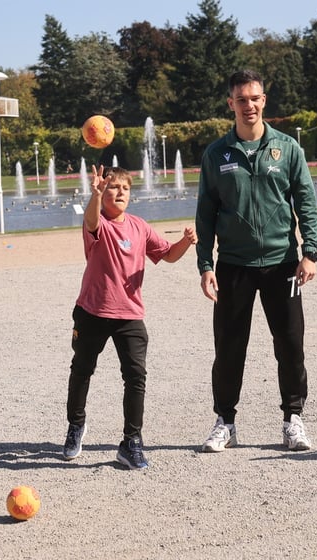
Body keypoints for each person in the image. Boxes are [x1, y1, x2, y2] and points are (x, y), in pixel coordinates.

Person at [195, 69, 317, 453]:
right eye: (241, 99)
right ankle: (226, 423)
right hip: (233, 264)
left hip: (282, 262)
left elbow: (306, 202)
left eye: (255, 98)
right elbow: (205, 214)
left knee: (290, 344)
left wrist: (310, 252)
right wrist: (205, 265)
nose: (248, 106)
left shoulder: (288, 149)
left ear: (264, 101)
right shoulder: (217, 154)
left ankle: (293, 420)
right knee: (229, 347)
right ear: (230, 104)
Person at [62, 165, 197, 470]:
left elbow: (168, 255)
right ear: (102, 191)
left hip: (129, 315)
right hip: (92, 312)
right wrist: (95, 195)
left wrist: (186, 242)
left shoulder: (139, 227)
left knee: (136, 378)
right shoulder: (98, 225)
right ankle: (75, 427)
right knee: (82, 370)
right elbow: (92, 220)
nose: (120, 192)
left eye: (125, 188)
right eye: (113, 187)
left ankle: (131, 442)